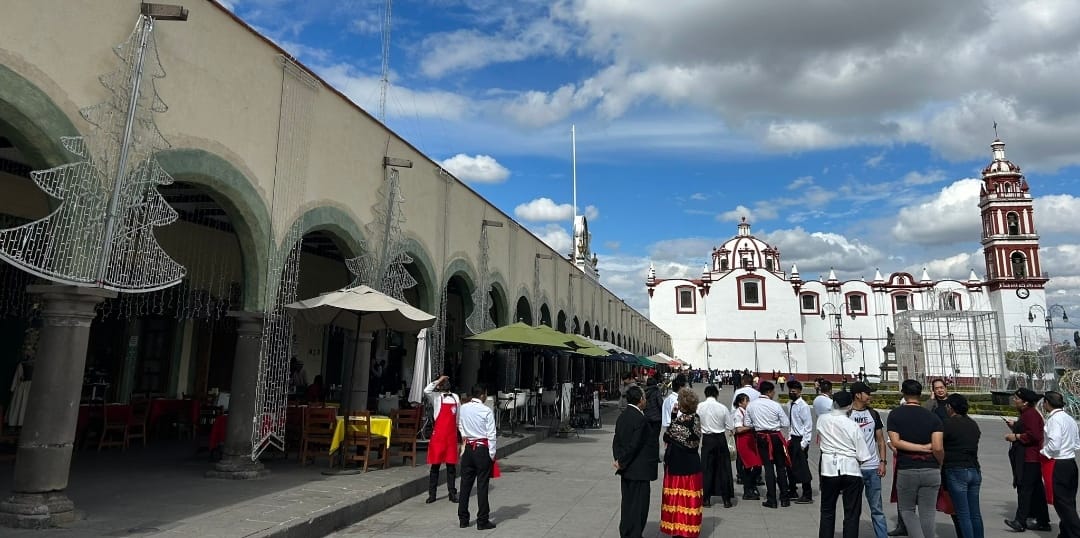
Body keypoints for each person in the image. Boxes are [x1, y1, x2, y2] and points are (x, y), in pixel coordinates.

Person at [887, 379, 944, 538]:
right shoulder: (933, 417)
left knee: (907, 510)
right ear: (920, 394)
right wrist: (939, 462)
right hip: (931, 469)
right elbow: (938, 447)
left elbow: (896, 442)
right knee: (928, 513)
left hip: (907, 469)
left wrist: (920, 448)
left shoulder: (895, 414)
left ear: (903, 394)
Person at [818, 390, 872, 538]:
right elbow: (863, 455)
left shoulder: (822, 419)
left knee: (827, 510)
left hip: (829, 468)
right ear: (849, 406)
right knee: (852, 513)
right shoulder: (852, 425)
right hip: (850, 469)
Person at [613, 385, 659, 538]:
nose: (646, 400)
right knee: (639, 505)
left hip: (626, 469)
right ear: (640, 400)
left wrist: (619, 459)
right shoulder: (640, 419)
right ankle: (634, 533)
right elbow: (635, 445)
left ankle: (626, 531)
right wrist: (622, 460)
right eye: (644, 398)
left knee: (627, 503)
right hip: (638, 470)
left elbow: (616, 441)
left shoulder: (623, 416)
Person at [1004, 387, 1051, 533]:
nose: (1014, 400)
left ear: (1025, 402)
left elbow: (1034, 435)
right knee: (1036, 491)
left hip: (1029, 458)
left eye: (1017, 398)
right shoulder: (1027, 414)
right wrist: (1015, 427)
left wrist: (1016, 437)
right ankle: (1043, 521)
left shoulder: (1030, 414)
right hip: (1031, 457)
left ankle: (1020, 521)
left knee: (1024, 490)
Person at [660, 388, 704, 537]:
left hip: (678, 465)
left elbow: (667, 436)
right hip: (693, 464)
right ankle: (689, 529)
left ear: (682, 405)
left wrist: (673, 416)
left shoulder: (680, 422)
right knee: (689, 500)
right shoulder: (696, 418)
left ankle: (679, 530)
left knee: (677, 500)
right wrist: (674, 415)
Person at [849, 381, 888, 538]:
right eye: (867, 393)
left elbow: (880, 440)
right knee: (853, 509)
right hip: (853, 469)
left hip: (872, 468)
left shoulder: (873, 414)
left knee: (877, 509)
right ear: (858, 395)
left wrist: (883, 462)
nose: (870, 396)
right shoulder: (846, 414)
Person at [942, 393, 983, 538]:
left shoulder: (948, 424)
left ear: (951, 407)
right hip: (974, 469)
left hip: (956, 469)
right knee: (975, 513)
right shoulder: (973, 424)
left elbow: (938, 446)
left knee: (963, 514)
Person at [457, 383, 497, 530]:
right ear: (482, 394)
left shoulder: (463, 408)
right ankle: (482, 520)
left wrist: (465, 438)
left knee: (465, 485)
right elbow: (491, 434)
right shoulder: (486, 410)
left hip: (468, 448)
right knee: (482, 485)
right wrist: (491, 454)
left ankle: (463, 518)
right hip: (481, 449)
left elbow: (460, 425)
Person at [1040, 391, 1080, 538]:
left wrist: (1044, 451)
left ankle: (1075, 533)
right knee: (1069, 501)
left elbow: (1054, 444)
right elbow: (1076, 443)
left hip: (1058, 464)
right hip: (1070, 462)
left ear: (1047, 403)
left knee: (1062, 503)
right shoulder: (1069, 418)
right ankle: (1066, 533)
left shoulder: (1054, 420)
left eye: (1044, 402)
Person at [747, 381, 790, 508]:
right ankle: (785, 497)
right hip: (775, 436)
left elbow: (748, 423)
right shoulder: (775, 405)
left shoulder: (751, 405)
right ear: (769, 392)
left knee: (769, 468)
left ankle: (771, 499)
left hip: (761, 437)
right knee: (781, 467)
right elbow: (786, 423)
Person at [424, 375, 460, 504]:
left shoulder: (456, 397)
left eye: (446, 382)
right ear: (439, 386)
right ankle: (432, 494)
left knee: (451, 467)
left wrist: (461, 435)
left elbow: (458, 418)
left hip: (451, 436)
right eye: (443, 383)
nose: (445, 384)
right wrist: (438, 380)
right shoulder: (436, 397)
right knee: (435, 466)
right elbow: (426, 390)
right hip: (439, 435)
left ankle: (452, 493)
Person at [698, 385, 734, 508]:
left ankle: (706, 499)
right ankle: (726, 499)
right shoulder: (722, 408)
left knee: (706, 469)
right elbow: (730, 426)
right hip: (720, 438)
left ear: (705, 394)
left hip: (707, 439)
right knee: (723, 468)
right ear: (716, 394)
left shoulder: (699, 407)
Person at [786, 380, 814, 504]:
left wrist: (805, 443)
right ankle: (792, 490)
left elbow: (808, 425)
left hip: (801, 440)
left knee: (802, 466)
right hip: (792, 438)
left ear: (799, 392)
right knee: (790, 465)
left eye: (794, 391)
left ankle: (807, 493)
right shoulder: (790, 404)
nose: (791, 393)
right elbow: (791, 423)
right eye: (790, 391)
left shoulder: (803, 406)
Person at [731, 392, 761, 500]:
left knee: (756, 466)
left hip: (750, 440)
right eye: (746, 400)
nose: (748, 402)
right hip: (743, 440)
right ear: (740, 403)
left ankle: (749, 487)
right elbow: (738, 429)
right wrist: (752, 427)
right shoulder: (738, 413)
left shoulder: (747, 411)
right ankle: (748, 489)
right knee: (749, 466)